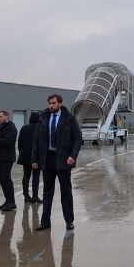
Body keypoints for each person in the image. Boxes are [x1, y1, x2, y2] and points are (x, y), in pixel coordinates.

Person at [30, 93, 82, 232]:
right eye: (50, 103)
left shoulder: (69, 118)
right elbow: (36, 140)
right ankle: (45, 222)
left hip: (63, 159)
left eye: (53, 103)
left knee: (66, 192)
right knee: (47, 192)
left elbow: (78, 138)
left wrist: (73, 156)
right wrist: (34, 159)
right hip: (47, 159)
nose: (51, 106)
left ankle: (69, 221)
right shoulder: (43, 118)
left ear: (60, 103)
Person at [16, 111, 42, 204]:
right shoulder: (41, 128)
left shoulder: (24, 127)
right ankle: (35, 196)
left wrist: (22, 151)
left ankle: (26, 195)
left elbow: (20, 142)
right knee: (36, 177)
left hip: (25, 155)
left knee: (26, 176)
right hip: (37, 156)